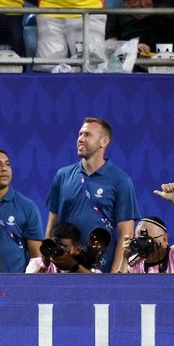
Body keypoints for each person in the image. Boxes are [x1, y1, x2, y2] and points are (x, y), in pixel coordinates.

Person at [45, 117, 138, 273]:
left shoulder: (121, 180)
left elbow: (126, 233)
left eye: (87, 135)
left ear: (104, 142)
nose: (80, 139)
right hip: (64, 268)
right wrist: (48, 262)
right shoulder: (62, 175)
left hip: (101, 270)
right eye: (80, 134)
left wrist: (115, 275)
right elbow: (52, 222)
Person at [119, 182, 174, 273]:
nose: (143, 244)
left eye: (147, 240)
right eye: (139, 239)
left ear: (164, 239)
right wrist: (125, 258)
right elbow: (119, 286)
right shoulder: (134, 262)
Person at [0, 148, 42, 274]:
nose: (4, 168)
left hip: (15, 284)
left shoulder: (27, 207)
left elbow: (36, 259)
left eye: (7, 164)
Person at [25, 221, 97, 273]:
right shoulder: (37, 263)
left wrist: (75, 266)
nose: (58, 250)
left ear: (77, 249)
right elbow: (28, 289)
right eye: (55, 245)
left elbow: (100, 288)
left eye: (65, 247)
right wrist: (44, 266)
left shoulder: (90, 269)